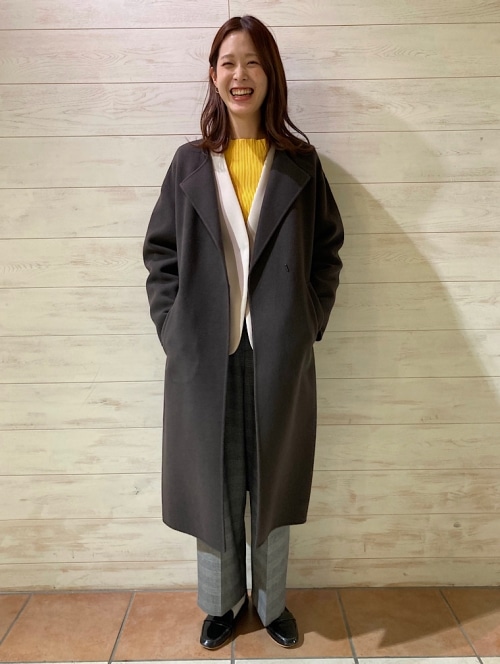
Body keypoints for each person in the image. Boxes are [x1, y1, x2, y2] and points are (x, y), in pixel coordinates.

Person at [143, 15, 344, 649]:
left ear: (270, 74)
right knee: (214, 483)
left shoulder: (301, 164)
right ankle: (221, 604)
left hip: (278, 353)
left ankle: (271, 603)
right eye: (229, 62)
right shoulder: (189, 163)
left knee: (274, 484)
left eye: (253, 62)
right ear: (213, 74)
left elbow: (328, 252)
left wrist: (309, 319)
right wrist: (174, 327)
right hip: (205, 355)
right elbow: (160, 255)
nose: (240, 75)